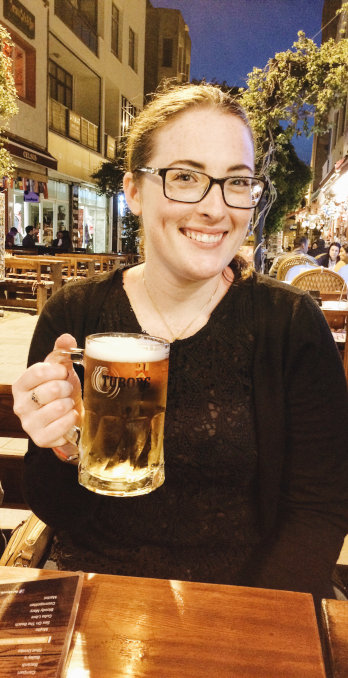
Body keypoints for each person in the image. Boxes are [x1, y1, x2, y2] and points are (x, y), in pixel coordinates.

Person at [12, 83, 348, 611]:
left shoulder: (289, 324)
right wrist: (59, 445)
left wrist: (241, 629)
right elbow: (57, 509)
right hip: (100, 604)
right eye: (186, 177)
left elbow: (319, 509)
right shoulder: (74, 317)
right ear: (135, 191)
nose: (215, 208)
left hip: (247, 607)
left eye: (237, 182)